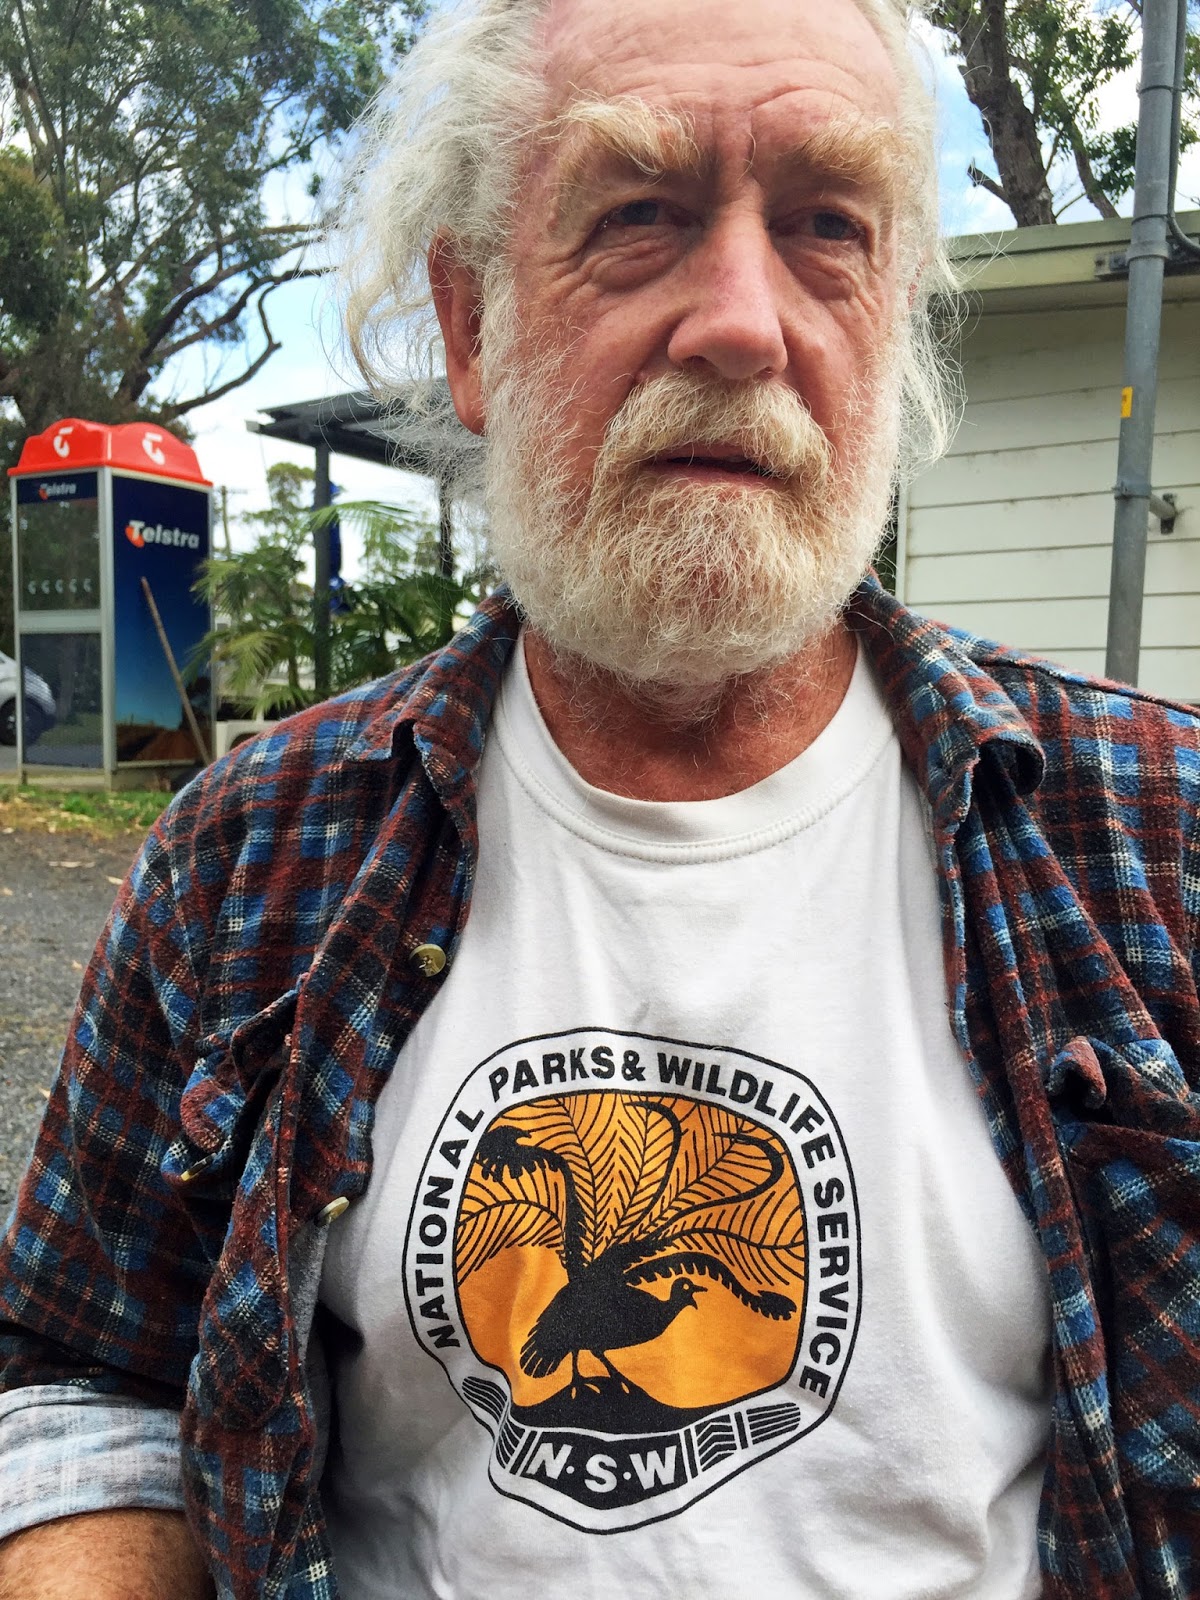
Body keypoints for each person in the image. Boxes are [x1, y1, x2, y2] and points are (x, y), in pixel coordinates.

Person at [2, 0, 1198, 1595]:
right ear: (473, 324)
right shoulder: (247, 853)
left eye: (827, 227)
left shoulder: (1156, 833)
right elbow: (90, 1373)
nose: (743, 324)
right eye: (638, 215)